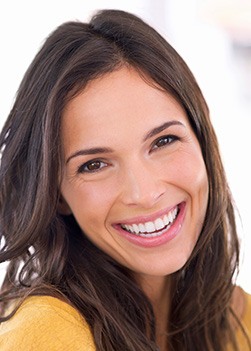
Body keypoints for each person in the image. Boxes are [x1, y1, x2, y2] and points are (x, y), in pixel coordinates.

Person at [0, 9, 250, 351]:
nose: (144, 193)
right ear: (56, 194)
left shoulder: (238, 320)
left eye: (163, 141)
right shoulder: (45, 336)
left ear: (202, 138)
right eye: (95, 164)